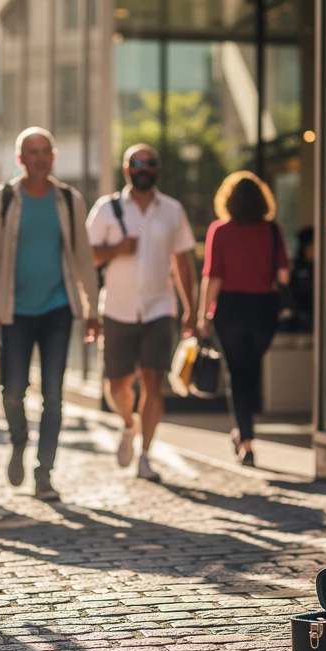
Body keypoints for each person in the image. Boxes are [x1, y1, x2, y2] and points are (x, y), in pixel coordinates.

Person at [0, 127, 99, 501]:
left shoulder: (68, 198)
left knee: (53, 395)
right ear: (20, 159)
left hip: (57, 309)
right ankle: (18, 442)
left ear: (53, 156)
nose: (40, 157)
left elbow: (83, 256)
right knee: (13, 390)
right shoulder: (2, 199)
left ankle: (44, 471)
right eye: (32, 151)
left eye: (46, 151)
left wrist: (92, 307)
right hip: (14, 311)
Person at [87, 143, 196, 481]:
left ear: (157, 169)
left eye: (150, 162)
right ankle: (127, 423)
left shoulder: (172, 211)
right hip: (117, 307)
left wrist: (190, 307)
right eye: (137, 162)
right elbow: (86, 257)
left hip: (159, 307)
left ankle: (146, 455)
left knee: (153, 381)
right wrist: (117, 248)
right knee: (117, 385)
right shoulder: (107, 209)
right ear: (126, 169)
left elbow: (182, 261)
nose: (143, 167)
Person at [198, 171, 290, 468]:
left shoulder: (219, 230)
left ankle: (246, 441)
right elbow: (284, 274)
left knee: (236, 376)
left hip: (229, 308)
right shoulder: (272, 230)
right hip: (263, 309)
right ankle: (244, 432)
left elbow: (212, 276)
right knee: (249, 372)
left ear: (229, 200)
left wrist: (203, 315)